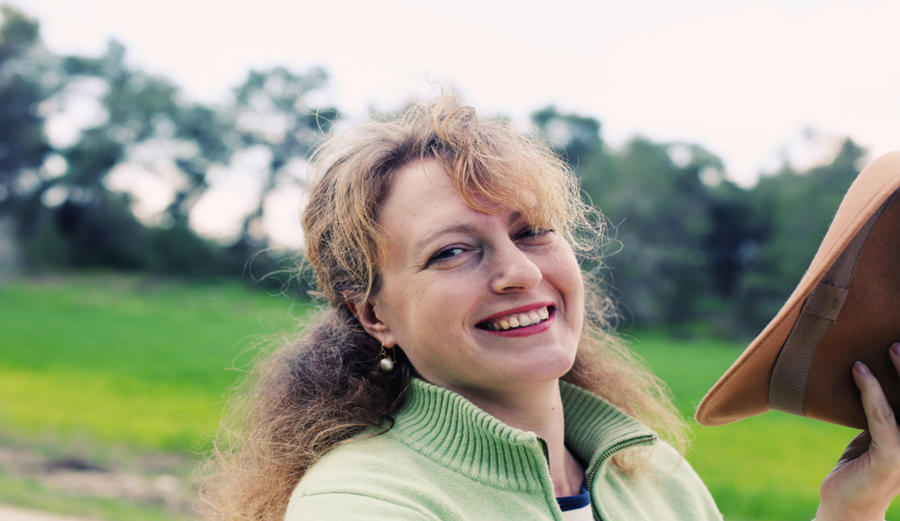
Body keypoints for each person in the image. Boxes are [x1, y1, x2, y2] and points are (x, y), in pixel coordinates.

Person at [203, 94, 900, 521]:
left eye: (532, 231)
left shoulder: (649, 472)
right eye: (452, 251)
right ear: (375, 315)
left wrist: (856, 504)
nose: (516, 271)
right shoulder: (362, 502)